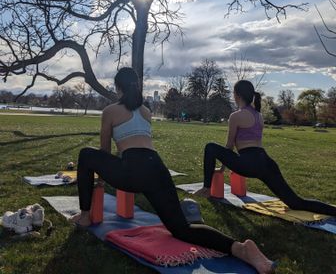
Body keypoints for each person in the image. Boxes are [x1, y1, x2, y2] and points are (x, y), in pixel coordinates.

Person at [70, 68, 275, 274]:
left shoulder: (110, 111)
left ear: (118, 88)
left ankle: (85, 215)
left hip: (132, 169)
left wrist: (101, 180)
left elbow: (105, 152)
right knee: (182, 229)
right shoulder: (146, 112)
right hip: (157, 168)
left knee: (86, 155)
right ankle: (240, 248)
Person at [194, 80, 336, 216]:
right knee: (296, 202)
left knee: (210, 147)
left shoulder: (236, 116)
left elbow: (229, 146)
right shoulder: (259, 115)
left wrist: (222, 169)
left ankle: (206, 189)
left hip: (248, 163)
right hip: (267, 163)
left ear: (237, 95)